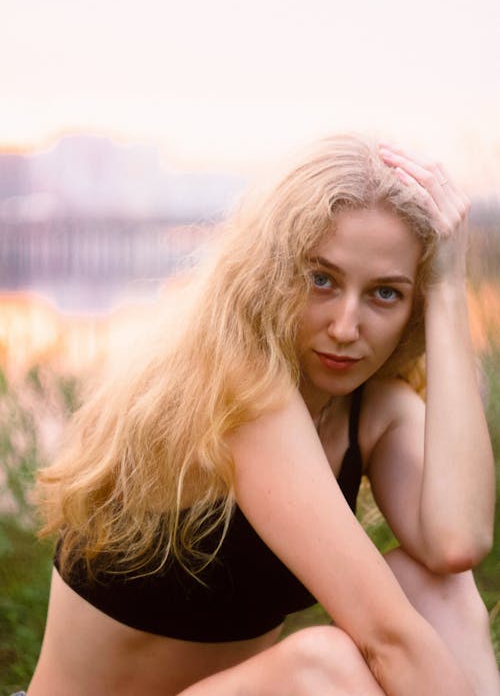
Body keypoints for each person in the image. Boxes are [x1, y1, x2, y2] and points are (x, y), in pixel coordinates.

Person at [26, 135, 498, 696]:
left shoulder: (374, 409)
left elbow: (455, 543)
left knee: (434, 584)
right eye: (321, 280)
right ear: (272, 272)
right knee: (325, 668)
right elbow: (388, 641)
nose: (347, 328)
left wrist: (447, 287)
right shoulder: (241, 397)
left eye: (385, 294)